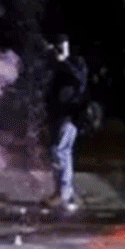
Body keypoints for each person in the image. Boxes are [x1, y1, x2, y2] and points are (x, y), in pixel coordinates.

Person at [42, 34, 88, 212]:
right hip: (57, 115)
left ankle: (65, 192)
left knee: (59, 151)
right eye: (58, 46)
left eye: (63, 46)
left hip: (70, 115)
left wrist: (63, 61)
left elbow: (79, 79)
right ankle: (62, 191)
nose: (60, 49)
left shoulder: (76, 63)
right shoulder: (56, 66)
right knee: (59, 152)